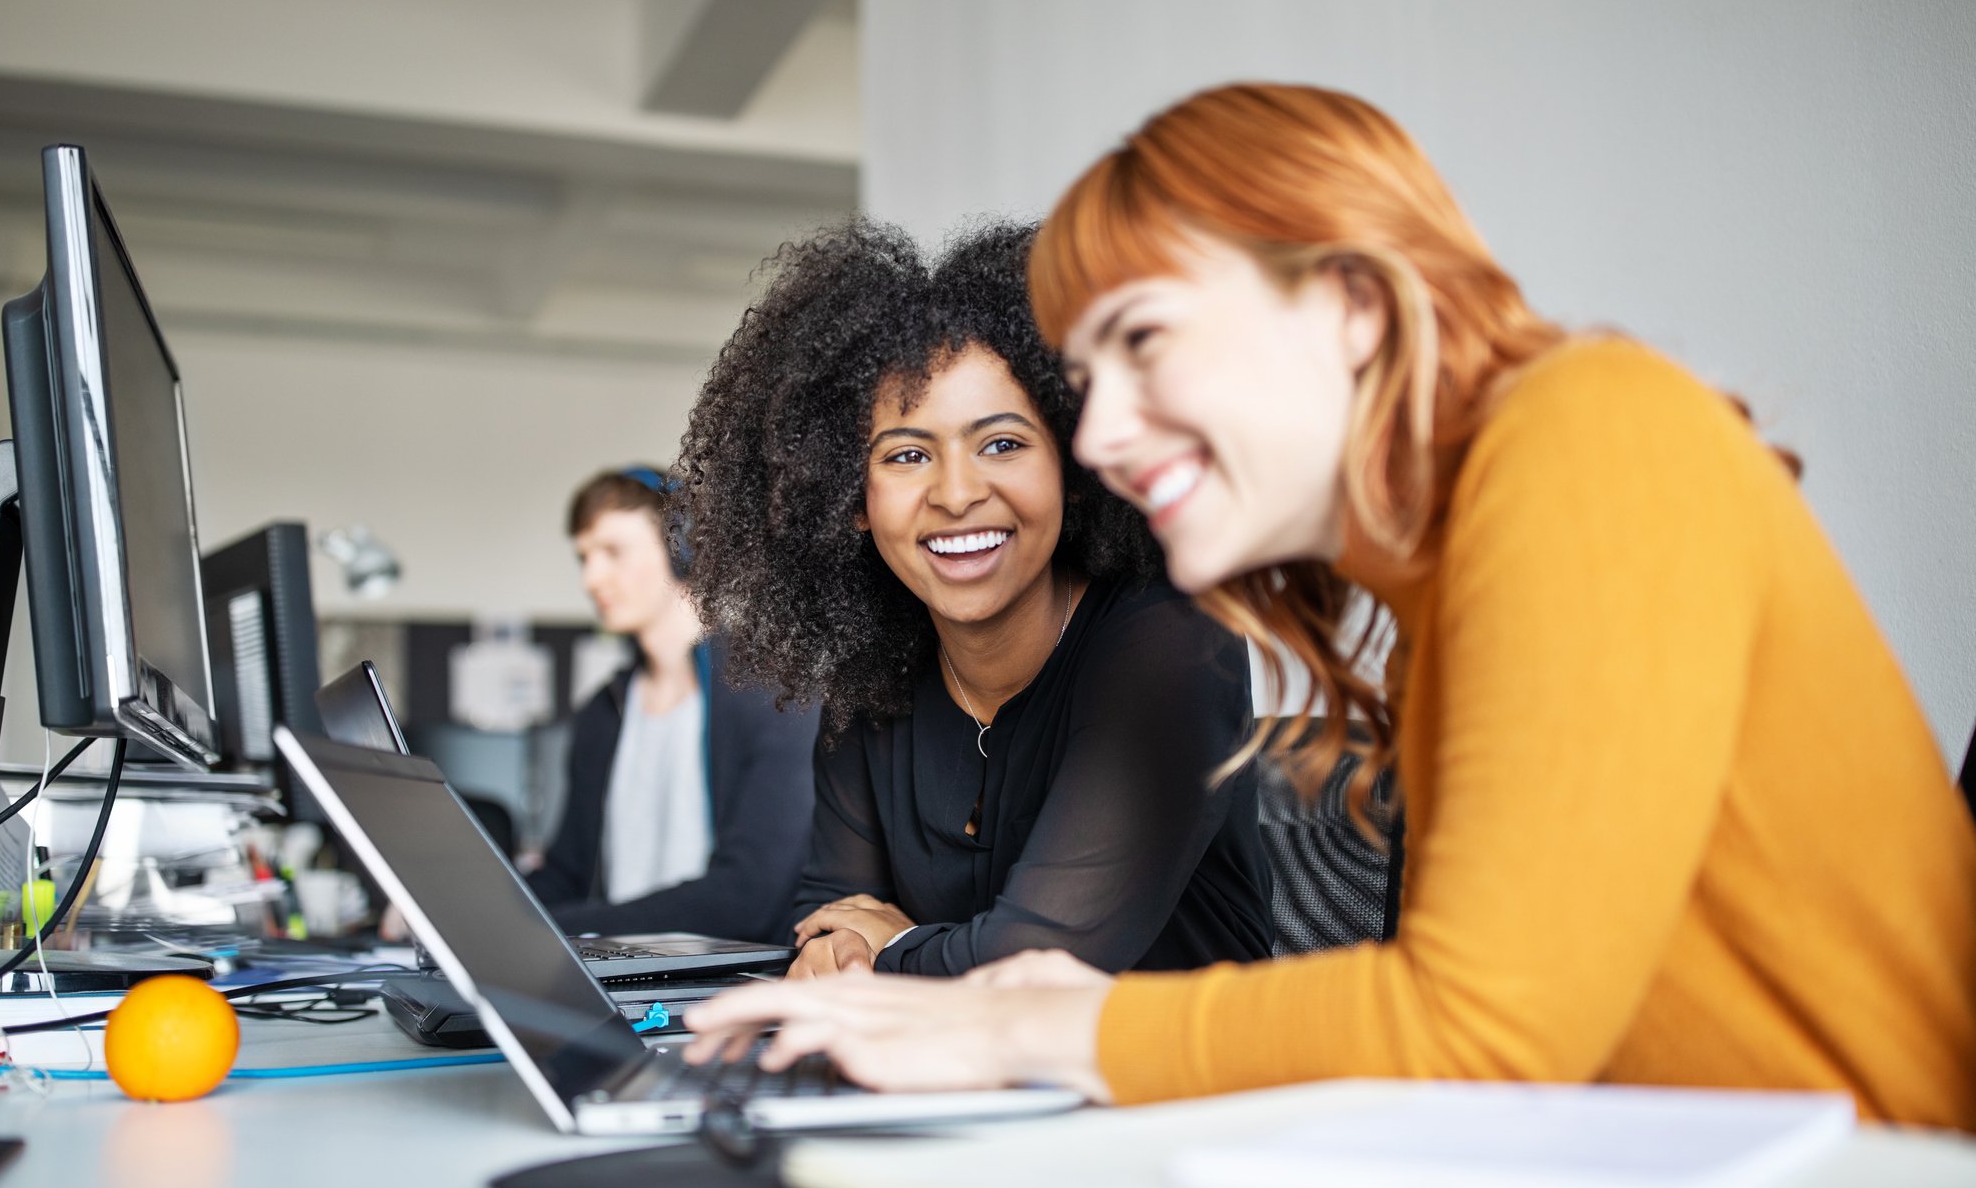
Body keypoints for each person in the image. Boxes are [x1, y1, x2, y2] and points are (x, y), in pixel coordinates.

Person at [684, 84, 1976, 1129]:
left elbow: (1478, 1029)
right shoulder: (1456, 566)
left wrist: (1014, 1018)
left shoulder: (1586, 431)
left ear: (1351, 306)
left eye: (1143, 343)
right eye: (1088, 378)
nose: (1108, 435)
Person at [675, 219, 1319, 979]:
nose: (956, 494)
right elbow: (825, 921)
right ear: (851, 498)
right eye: (908, 455)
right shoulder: (870, 681)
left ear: (1075, 468)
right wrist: (852, 948)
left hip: (1174, 1089)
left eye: (1002, 444)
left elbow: (1041, 960)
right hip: (959, 1083)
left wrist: (886, 948)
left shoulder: (1171, 645)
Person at [525, 467, 820, 944]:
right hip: (613, 982)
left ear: (682, 547)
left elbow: (747, 898)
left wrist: (551, 929)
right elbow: (565, 875)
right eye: (583, 557)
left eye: (613, 552)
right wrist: (467, 917)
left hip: (727, 988)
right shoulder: (604, 712)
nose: (591, 577)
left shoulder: (774, 697)